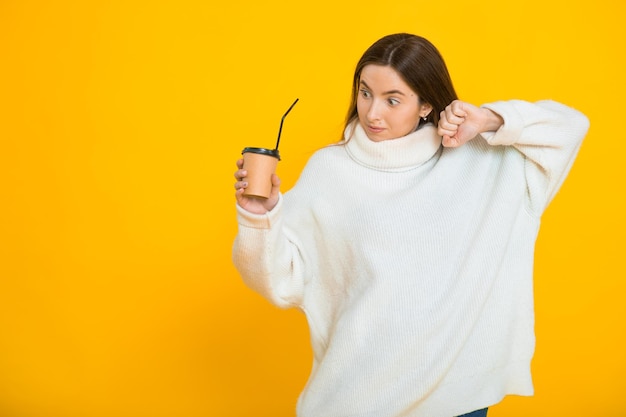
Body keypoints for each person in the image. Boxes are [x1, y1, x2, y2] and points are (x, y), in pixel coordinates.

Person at [231, 33, 589, 417]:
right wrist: (259, 217)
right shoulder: (331, 171)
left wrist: (488, 118)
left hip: (456, 401)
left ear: (426, 106)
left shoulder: (484, 161)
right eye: (365, 92)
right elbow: (281, 281)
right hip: (361, 397)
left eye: (392, 100)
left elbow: (571, 126)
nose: (371, 113)